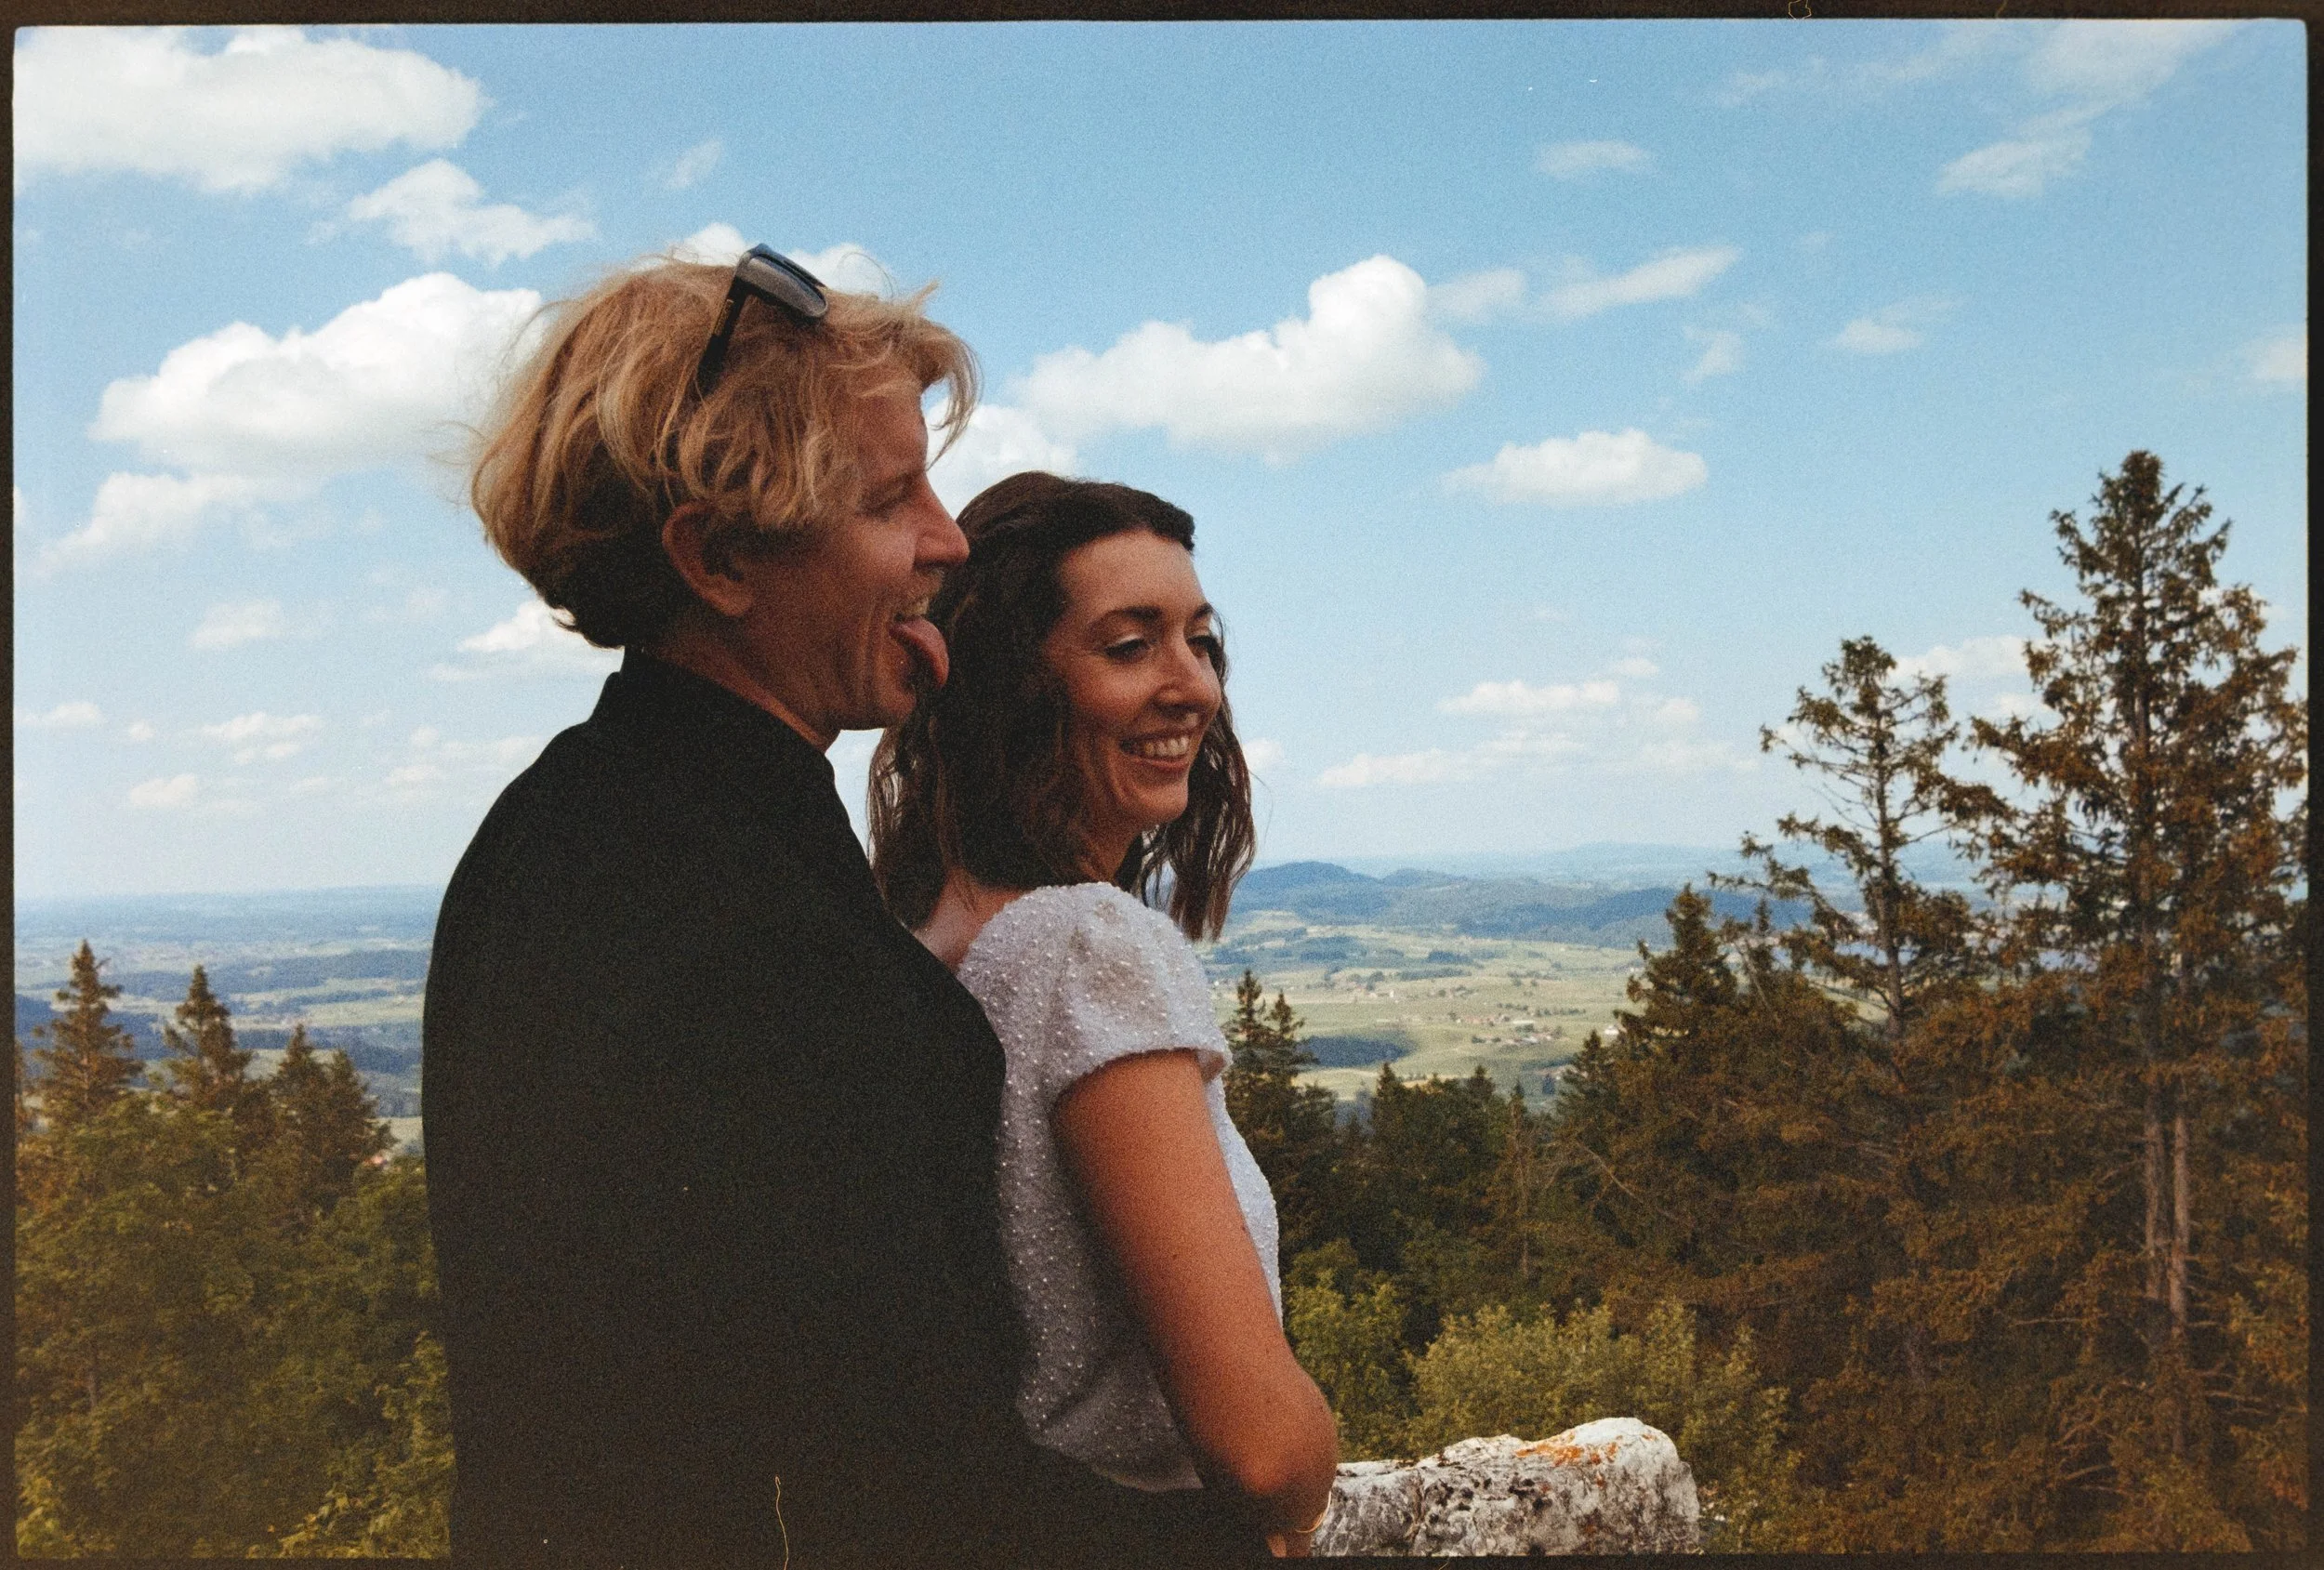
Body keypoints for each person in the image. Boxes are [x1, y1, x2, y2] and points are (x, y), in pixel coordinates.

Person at [423, 248, 1260, 1567]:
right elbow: (909, 1503)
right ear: (719, 558)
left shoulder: (558, 828)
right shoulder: (765, 935)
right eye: (890, 497)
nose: (948, 537)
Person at [868, 472, 1341, 1557]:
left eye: (1199, 641)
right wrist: (1306, 1470)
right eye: (1129, 646)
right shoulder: (1086, 944)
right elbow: (1263, 1452)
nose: (1193, 688)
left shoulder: (921, 934)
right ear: (1011, 688)